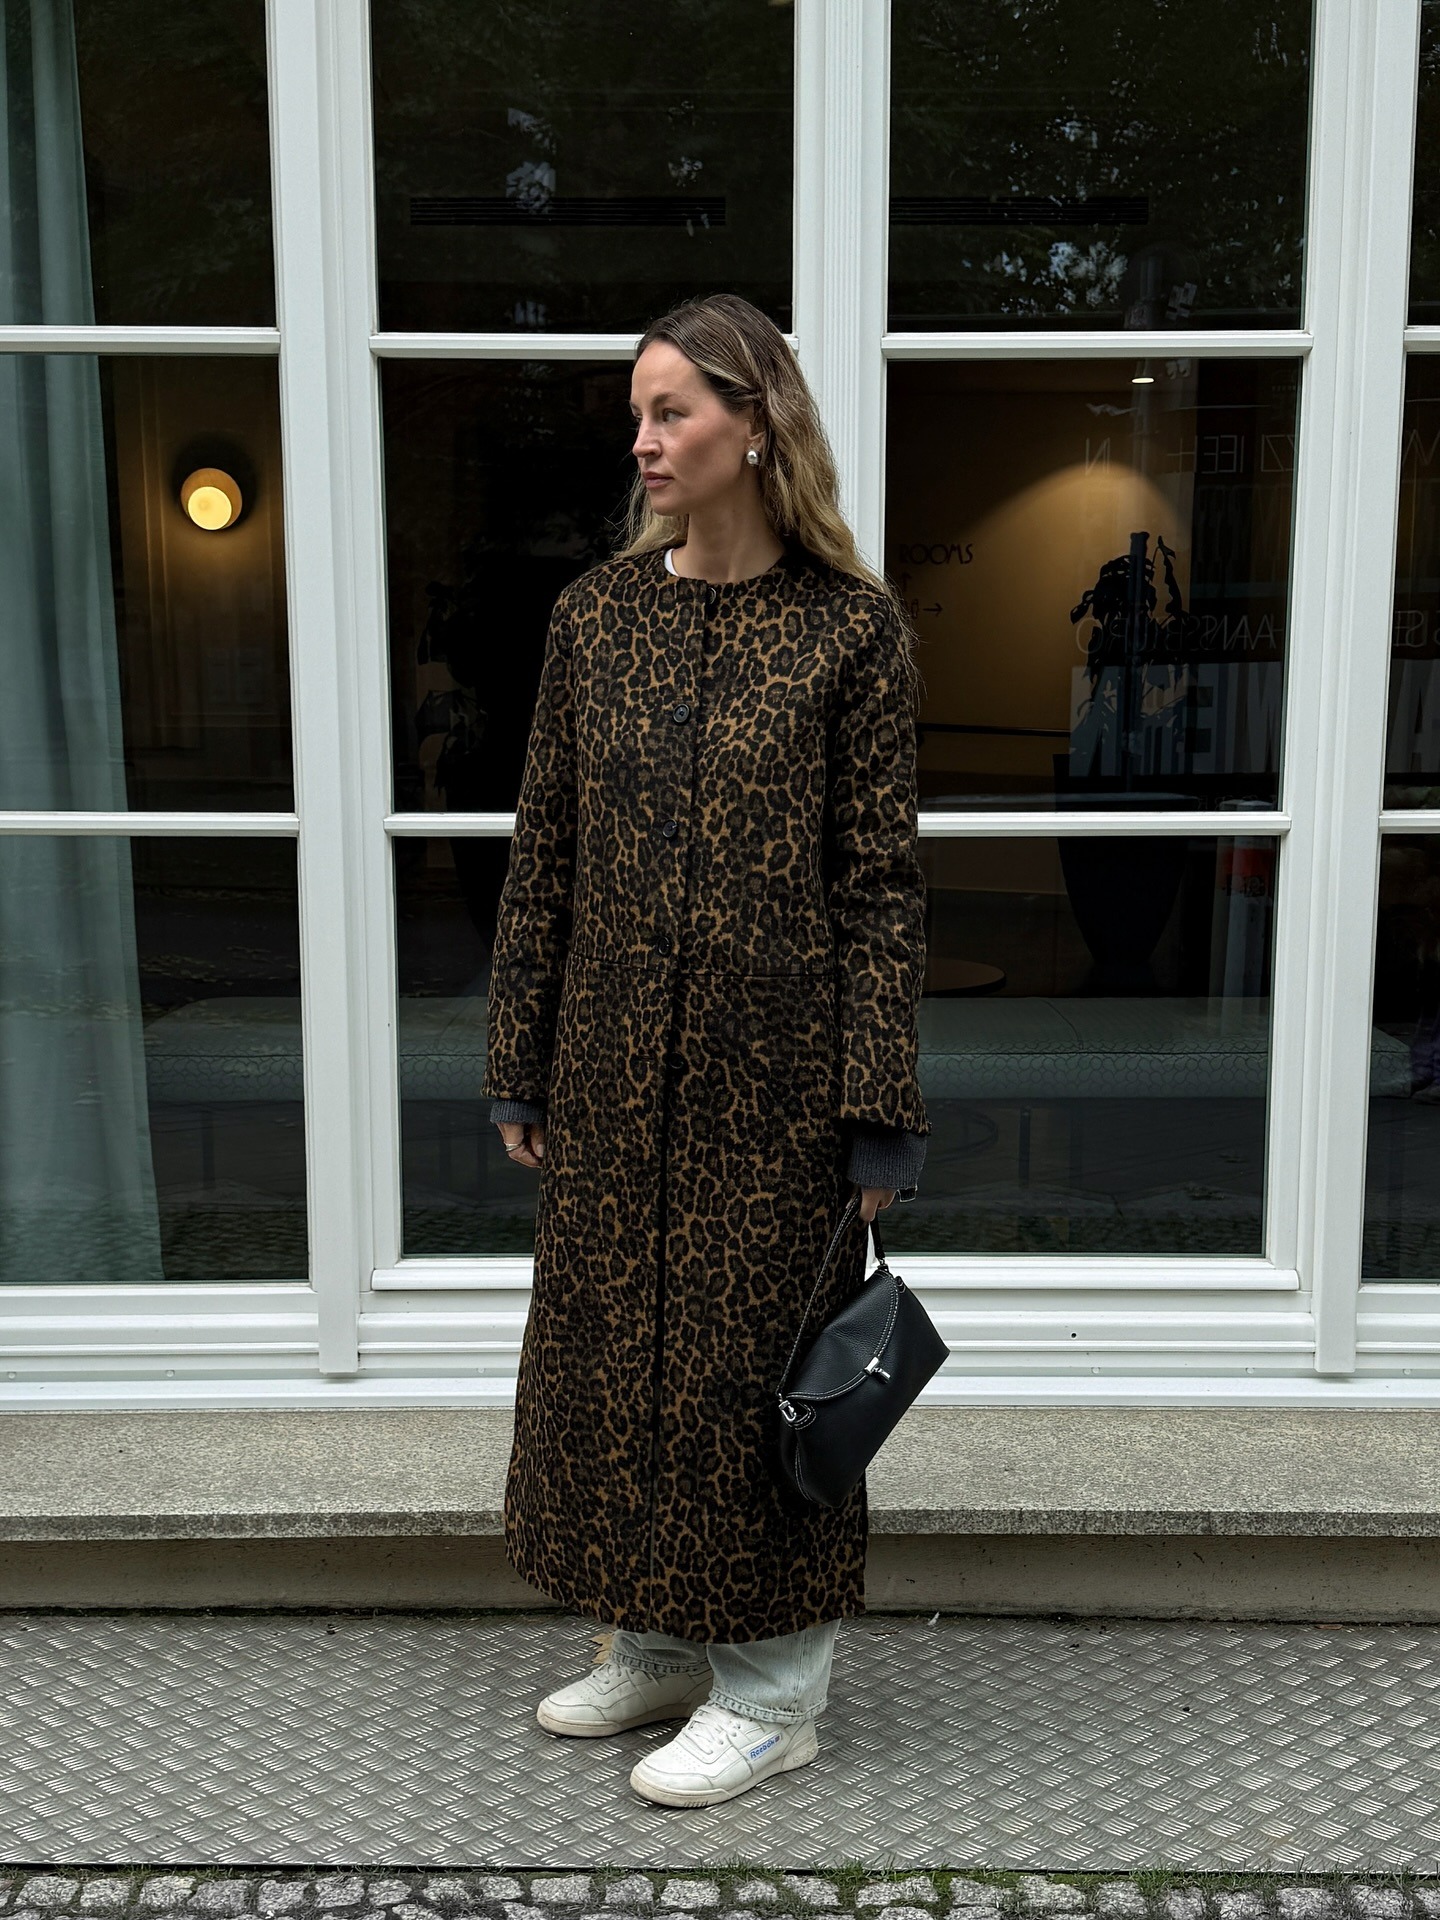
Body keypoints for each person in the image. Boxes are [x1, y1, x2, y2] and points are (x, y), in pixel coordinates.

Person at [479, 291, 930, 1808]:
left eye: (673, 410)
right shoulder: (595, 619)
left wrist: (877, 1105)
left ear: (756, 425)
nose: (645, 440)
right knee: (619, 1362)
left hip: (779, 1090)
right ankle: (662, 1639)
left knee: (755, 1378)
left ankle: (776, 1691)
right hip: (613, 1073)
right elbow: (546, 852)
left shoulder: (850, 633)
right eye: (639, 413)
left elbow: (879, 885)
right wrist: (522, 1055)